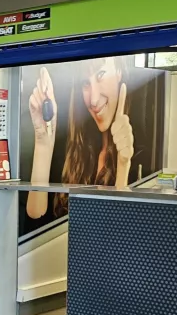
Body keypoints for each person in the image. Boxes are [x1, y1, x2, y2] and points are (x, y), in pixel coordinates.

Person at [26, 57, 135, 220]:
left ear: (119, 72)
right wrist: (43, 141)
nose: (93, 100)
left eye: (101, 74)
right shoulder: (76, 149)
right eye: (85, 83)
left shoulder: (142, 156)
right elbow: (36, 217)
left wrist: (123, 166)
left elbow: (123, 230)